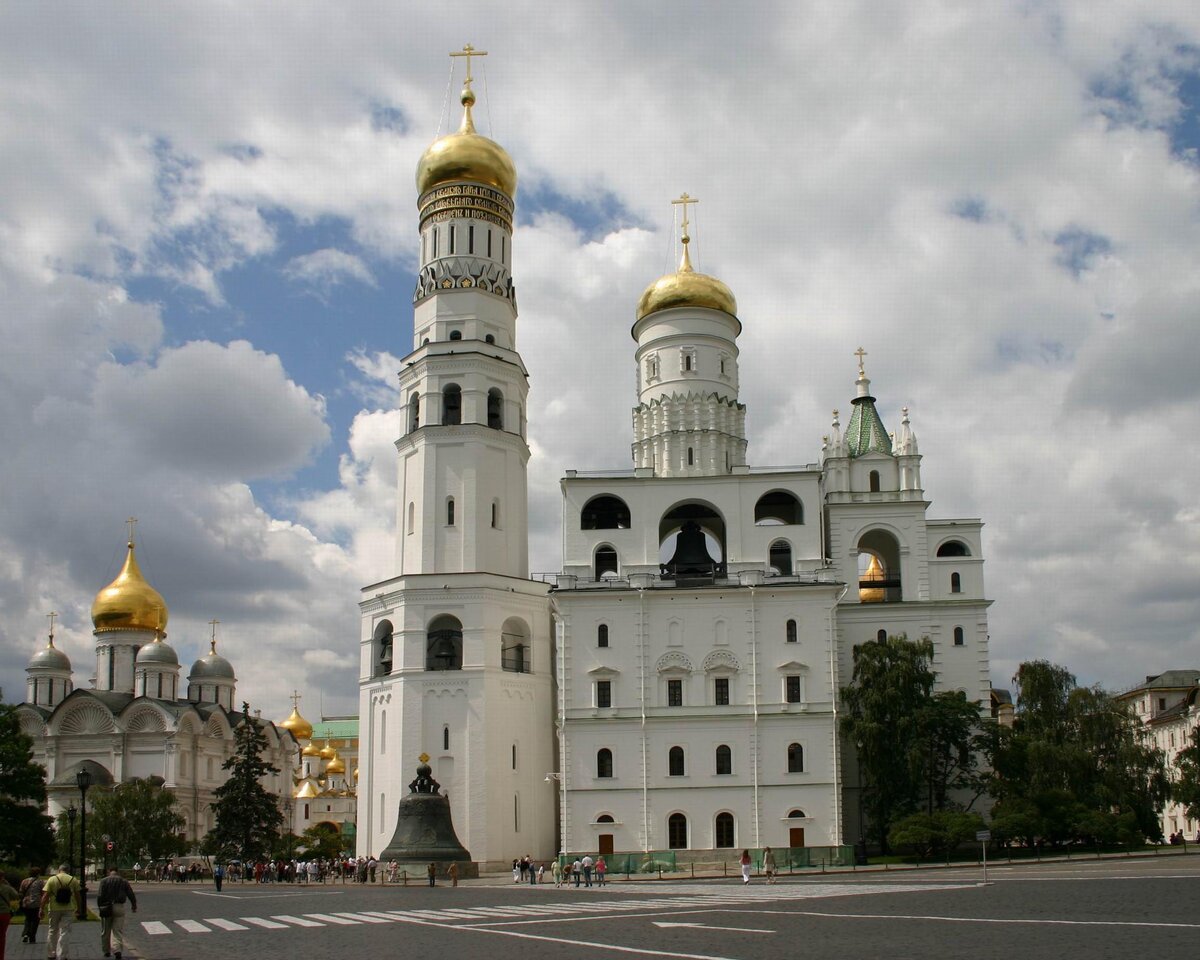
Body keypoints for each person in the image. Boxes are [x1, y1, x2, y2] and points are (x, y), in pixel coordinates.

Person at [40, 864, 82, 960]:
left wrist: (41, 908)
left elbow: (45, 896)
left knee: (52, 930)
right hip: (68, 908)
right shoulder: (73, 880)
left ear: (59, 870)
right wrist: (79, 908)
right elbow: (78, 896)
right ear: (68, 870)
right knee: (65, 931)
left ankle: (51, 954)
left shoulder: (52, 879)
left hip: (54, 908)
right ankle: (62, 955)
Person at [97, 866, 138, 960]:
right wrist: (134, 905)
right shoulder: (123, 881)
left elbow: (100, 896)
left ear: (109, 871)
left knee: (105, 930)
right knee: (117, 930)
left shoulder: (104, 881)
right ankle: (117, 950)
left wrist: (100, 907)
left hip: (106, 906)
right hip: (119, 906)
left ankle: (106, 950)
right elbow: (130, 894)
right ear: (117, 871)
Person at [19, 866, 44, 944]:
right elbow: (43, 892)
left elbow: (21, 892)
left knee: (28, 919)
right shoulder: (40, 882)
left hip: (26, 903)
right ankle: (32, 937)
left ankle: (26, 933)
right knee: (35, 920)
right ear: (38, 874)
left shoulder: (24, 881)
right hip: (36, 903)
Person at [0, 871, 21, 960]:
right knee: (1, 937)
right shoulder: (6, 888)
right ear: (2, 877)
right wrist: (8, 884)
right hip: (4, 914)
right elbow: (16, 896)